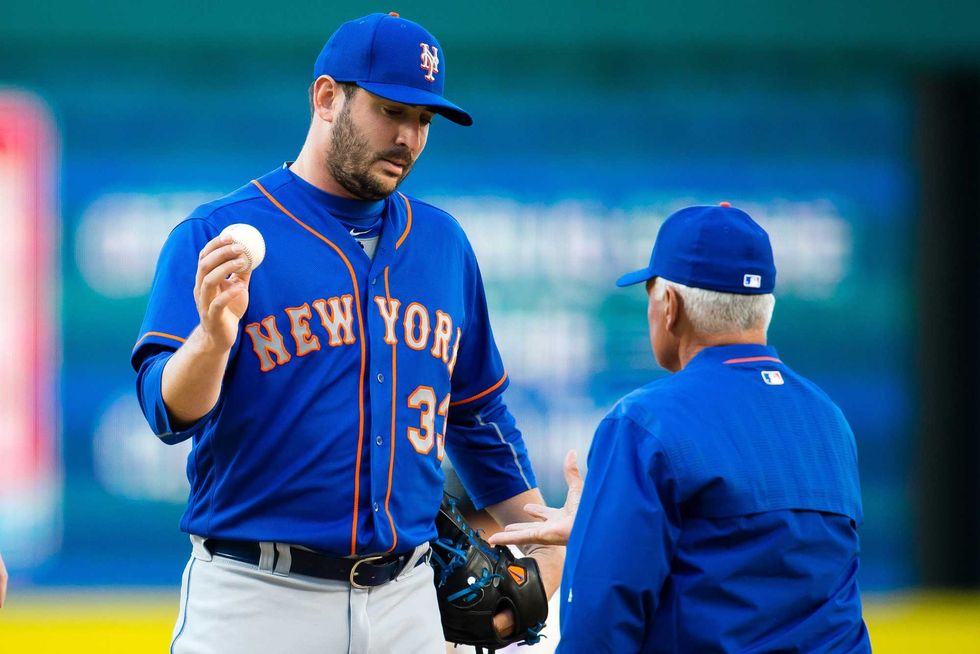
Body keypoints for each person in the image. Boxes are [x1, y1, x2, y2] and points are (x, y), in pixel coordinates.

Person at [131, 13, 562, 654]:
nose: (410, 138)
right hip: (258, 598)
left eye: (424, 121)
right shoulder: (216, 234)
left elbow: (476, 413)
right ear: (328, 97)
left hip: (409, 601)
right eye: (392, 110)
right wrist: (213, 341)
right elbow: (166, 411)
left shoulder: (442, 243)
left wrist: (538, 530)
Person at [492, 203, 871, 653]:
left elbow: (602, 625)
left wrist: (606, 539)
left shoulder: (646, 422)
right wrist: (607, 528)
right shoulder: (828, 419)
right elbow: (762, 553)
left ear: (669, 306)